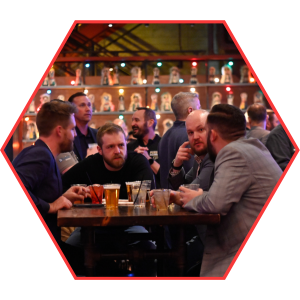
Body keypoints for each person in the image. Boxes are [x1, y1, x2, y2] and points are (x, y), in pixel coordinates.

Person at [173, 104, 282, 277]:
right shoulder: (253, 146)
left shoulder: (232, 153)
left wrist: (188, 198)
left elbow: (215, 204)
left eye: (204, 131)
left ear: (213, 135)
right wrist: (202, 195)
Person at [12, 100, 89, 274]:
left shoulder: (41, 153)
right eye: (72, 129)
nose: (75, 135)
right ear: (59, 131)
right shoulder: (41, 155)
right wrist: (51, 206)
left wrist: (63, 196)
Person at [158, 92, 201, 189]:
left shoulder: (164, 136)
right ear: (190, 110)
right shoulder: (190, 136)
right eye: (199, 107)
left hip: (167, 198)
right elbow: (195, 174)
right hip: (183, 198)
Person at [168, 109, 214, 192]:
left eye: (200, 130)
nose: (195, 137)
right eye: (190, 132)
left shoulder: (213, 158)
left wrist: (164, 195)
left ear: (212, 131)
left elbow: (188, 193)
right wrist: (176, 165)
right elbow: (181, 187)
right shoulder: (199, 159)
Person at [127, 107, 161, 187]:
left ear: (150, 123)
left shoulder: (163, 144)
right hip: (137, 197)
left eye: (137, 120)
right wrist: (134, 159)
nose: (132, 124)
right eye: (132, 120)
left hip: (159, 196)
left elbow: (168, 176)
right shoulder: (129, 147)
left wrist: (148, 159)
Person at [68, 92, 98, 161]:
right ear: (72, 110)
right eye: (82, 105)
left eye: (89, 105)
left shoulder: (98, 134)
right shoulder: (68, 136)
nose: (88, 109)